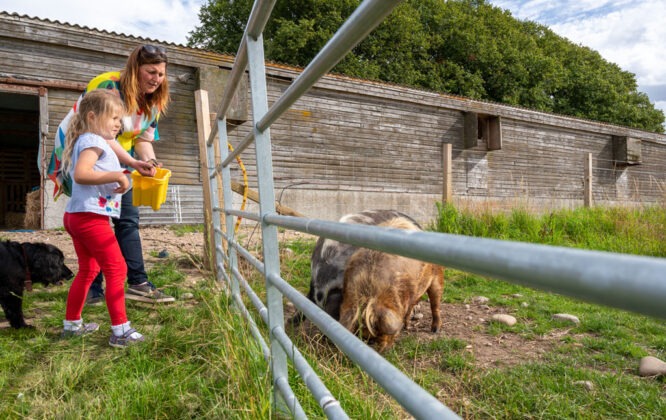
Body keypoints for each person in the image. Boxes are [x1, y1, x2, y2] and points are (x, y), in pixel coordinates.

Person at [48, 44, 175, 304]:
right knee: (94, 221)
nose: (156, 79)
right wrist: (129, 163)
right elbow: (96, 133)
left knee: (128, 220)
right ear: (134, 68)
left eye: (161, 74)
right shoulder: (107, 86)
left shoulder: (154, 100)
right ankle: (93, 287)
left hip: (120, 161)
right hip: (87, 154)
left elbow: (141, 138)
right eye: (151, 72)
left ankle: (138, 282)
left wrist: (148, 163)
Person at [60, 89, 144, 347]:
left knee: (89, 269)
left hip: (77, 215)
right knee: (116, 268)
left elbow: (109, 159)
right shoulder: (92, 141)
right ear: (93, 116)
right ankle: (120, 331)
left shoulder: (91, 139)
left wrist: (128, 172)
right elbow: (82, 175)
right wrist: (118, 177)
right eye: (115, 118)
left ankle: (72, 325)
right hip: (89, 218)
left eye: (121, 119)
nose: (120, 124)